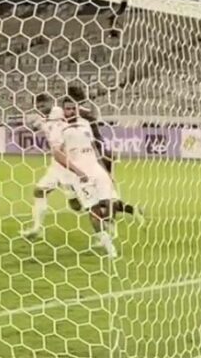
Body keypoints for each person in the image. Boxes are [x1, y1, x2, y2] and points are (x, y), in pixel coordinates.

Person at [54, 96, 119, 257]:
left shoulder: (85, 124)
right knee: (94, 209)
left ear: (78, 109)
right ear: (64, 111)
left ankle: (106, 230)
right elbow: (57, 155)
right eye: (67, 109)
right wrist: (77, 172)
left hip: (96, 168)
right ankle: (107, 244)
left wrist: (107, 172)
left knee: (112, 202)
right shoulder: (60, 128)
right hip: (80, 174)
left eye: (73, 108)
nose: (71, 111)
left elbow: (94, 148)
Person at [66, 83, 140, 221]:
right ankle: (122, 213)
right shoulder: (87, 113)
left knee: (96, 195)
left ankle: (113, 218)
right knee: (104, 192)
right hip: (103, 152)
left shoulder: (78, 114)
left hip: (96, 155)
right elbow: (93, 115)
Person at [23, 92, 78, 239]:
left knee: (77, 205)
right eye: (38, 106)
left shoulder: (59, 111)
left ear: (50, 103)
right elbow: (36, 126)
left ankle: (115, 210)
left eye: (43, 105)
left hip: (68, 164)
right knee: (39, 191)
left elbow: (74, 111)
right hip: (56, 164)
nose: (41, 108)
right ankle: (37, 228)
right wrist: (33, 125)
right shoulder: (42, 118)